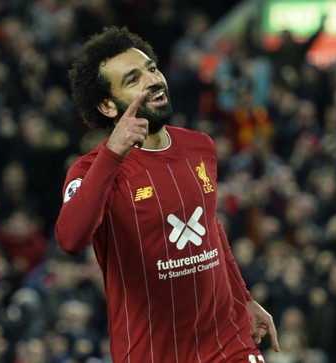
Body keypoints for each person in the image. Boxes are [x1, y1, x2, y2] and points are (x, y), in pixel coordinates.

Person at [54, 26, 280, 362]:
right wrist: (114, 153)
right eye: (133, 80)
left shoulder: (199, 146)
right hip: (152, 352)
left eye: (152, 68)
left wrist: (243, 297)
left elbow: (211, 229)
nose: (152, 80)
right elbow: (70, 239)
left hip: (227, 343)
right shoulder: (90, 172)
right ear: (107, 105)